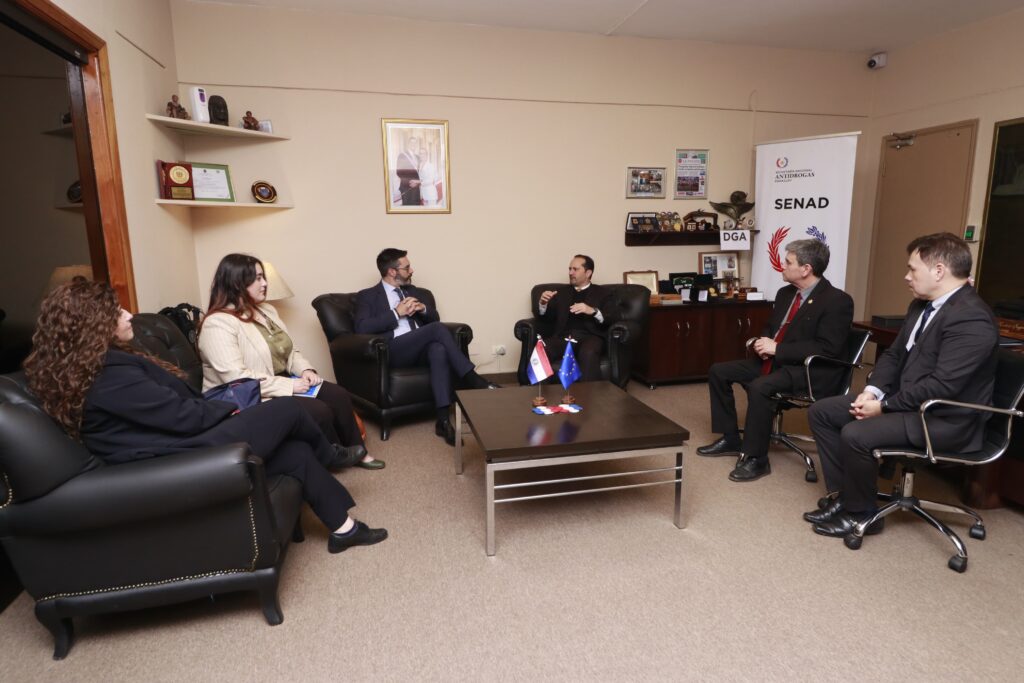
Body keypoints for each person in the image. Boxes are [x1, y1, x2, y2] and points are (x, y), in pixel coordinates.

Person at [23, 278, 386, 554]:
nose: (128, 315)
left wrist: (225, 403)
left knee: (294, 450)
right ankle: (330, 453)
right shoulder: (109, 375)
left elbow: (171, 411)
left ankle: (344, 529)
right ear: (92, 325)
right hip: (176, 451)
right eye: (117, 313)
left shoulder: (97, 366)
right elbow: (184, 418)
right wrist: (231, 404)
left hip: (174, 438)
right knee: (288, 409)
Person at [805, 233, 999, 537]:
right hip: (909, 404)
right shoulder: (921, 305)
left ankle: (861, 515)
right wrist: (872, 391)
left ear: (938, 271)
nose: (907, 276)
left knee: (856, 433)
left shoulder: (972, 319)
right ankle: (846, 496)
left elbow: (942, 386)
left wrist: (883, 407)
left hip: (946, 418)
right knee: (823, 412)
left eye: (912, 269)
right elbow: (895, 355)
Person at [198, 254, 383, 469]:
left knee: (338, 394)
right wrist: (290, 386)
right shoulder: (217, 324)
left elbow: (289, 350)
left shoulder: (266, 310)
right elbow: (237, 378)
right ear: (237, 282)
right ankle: (332, 457)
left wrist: (305, 370)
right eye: (258, 278)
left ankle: (359, 453)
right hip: (247, 395)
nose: (265, 283)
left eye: (263, 277)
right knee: (319, 410)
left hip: (281, 380)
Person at [696, 239, 854, 483]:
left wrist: (778, 348)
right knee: (719, 371)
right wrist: (761, 343)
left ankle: (757, 459)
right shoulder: (785, 293)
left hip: (808, 370)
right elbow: (771, 328)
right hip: (775, 361)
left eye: (788, 262)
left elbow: (828, 347)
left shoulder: (837, 301)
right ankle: (730, 438)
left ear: (806, 269)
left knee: (761, 386)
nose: (782, 265)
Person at [354, 248, 497, 446]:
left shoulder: (414, 291)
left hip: (418, 348)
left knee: (438, 349)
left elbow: (434, 318)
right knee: (436, 330)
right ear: (392, 272)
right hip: (392, 350)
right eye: (406, 268)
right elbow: (362, 327)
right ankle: (471, 379)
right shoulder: (368, 296)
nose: (411, 270)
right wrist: (396, 313)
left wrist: (423, 309)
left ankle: (443, 421)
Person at [537, 255, 619, 382]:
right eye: (570, 269)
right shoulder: (560, 293)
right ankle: (539, 392)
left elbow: (611, 318)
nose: (570, 273)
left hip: (590, 337)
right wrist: (543, 304)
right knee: (542, 348)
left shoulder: (603, 293)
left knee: (588, 352)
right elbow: (547, 319)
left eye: (575, 269)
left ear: (588, 273)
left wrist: (592, 311)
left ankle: (589, 393)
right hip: (564, 337)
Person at [395, 136, 422, 206]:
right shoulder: (402, 156)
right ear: (408, 144)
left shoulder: (418, 157)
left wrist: (417, 182)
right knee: (408, 210)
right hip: (406, 189)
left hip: (416, 189)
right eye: (411, 142)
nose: (413, 144)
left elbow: (419, 173)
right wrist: (411, 182)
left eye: (415, 143)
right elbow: (399, 172)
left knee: (416, 209)